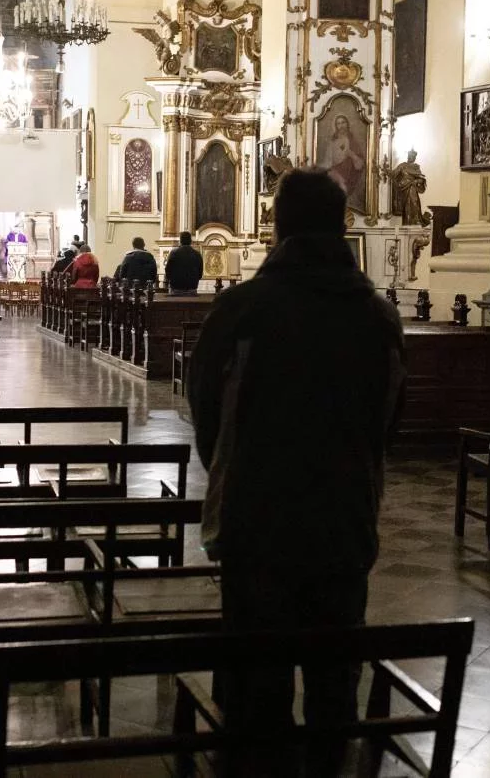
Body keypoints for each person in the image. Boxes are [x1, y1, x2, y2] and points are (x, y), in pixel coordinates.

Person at [187, 168, 406, 772]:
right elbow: (388, 418)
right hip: (345, 522)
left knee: (258, 694)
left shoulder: (243, 309)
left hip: (257, 523)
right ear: (342, 226)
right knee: (336, 688)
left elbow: (205, 411)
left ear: (279, 226)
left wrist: (235, 476)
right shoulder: (378, 316)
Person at [164, 231, 203, 295]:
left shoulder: (174, 253)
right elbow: (200, 273)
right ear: (190, 241)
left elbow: (168, 270)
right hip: (192, 289)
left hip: (176, 289)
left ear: (180, 241)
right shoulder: (197, 254)